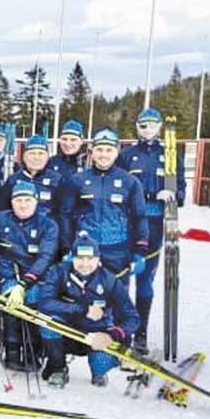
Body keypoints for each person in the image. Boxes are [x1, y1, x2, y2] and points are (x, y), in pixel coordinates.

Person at [118, 107, 186, 352]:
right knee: (123, 279)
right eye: (143, 125)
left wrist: (174, 194)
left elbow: (181, 188)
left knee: (145, 280)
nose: (147, 129)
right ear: (137, 127)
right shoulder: (127, 155)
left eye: (152, 125)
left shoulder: (168, 154)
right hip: (129, 224)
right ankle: (123, 330)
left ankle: (141, 334)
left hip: (156, 224)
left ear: (160, 127)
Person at [37, 231, 139, 388]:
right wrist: (82, 309)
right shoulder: (58, 272)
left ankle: (99, 371)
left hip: (95, 335)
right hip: (67, 332)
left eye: (90, 259)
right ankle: (58, 367)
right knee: (48, 324)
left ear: (98, 259)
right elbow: (44, 303)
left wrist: (112, 335)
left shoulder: (110, 280)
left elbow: (132, 317)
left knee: (102, 362)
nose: (85, 264)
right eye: (80, 258)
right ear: (72, 258)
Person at [0, 180, 59, 370]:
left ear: (36, 202)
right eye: (18, 200)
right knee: (11, 304)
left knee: (33, 300)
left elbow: (45, 257)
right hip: (9, 276)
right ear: (11, 202)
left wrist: (24, 284)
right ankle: (12, 349)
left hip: (37, 278)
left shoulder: (48, 225)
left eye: (28, 200)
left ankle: (33, 350)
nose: (23, 205)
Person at [59, 127, 148, 276]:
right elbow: (66, 215)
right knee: (84, 295)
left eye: (108, 150)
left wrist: (140, 252)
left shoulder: (130, 182)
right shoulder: (77, 180)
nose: (103, 155)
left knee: (117, 296)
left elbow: (139, 217)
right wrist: (67, 248)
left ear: (117, 151)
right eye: (99, 150)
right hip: (85, 249)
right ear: (92, 151)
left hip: (117, 249)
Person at [2, 135, 63, 226]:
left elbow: (64, 214)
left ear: (47, 157)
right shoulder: (13, 180)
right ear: (24, 156)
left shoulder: (58, 180)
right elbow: (2, 210)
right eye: (32, 153)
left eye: (40, 153)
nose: (36, 157)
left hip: (46, 232)